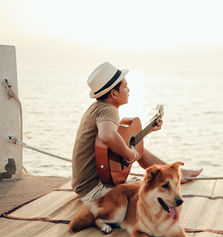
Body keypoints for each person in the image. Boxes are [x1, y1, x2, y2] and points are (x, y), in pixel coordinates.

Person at [71, 62, 202, 202]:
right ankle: (174, 175)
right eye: (125, 87)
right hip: (94, 190)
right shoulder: (109, 110)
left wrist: (148, 130)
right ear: (114, 93)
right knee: (154, 192)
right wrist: (129, 155)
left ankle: (173, 174)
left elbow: (114, 138)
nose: (129, 90)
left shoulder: (97, 108)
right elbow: (107, 136)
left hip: (85, 186)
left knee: (136, 147)